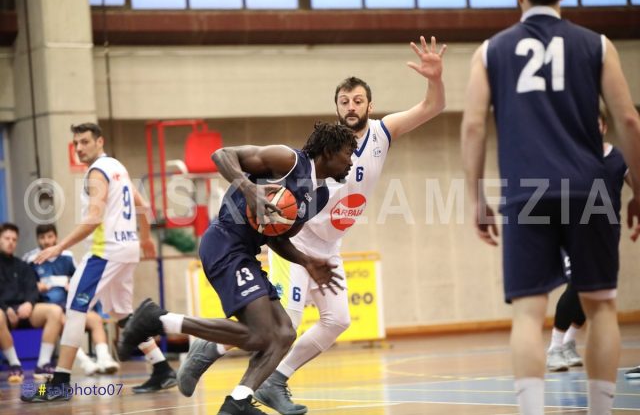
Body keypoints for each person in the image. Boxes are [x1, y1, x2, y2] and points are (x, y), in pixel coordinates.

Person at [177, 35, 447, 415]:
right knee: (285, 323)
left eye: (357, 100)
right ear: (336, 107)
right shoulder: (325, 149)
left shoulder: (384, 133)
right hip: (294, 239)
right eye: (344, 101)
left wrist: (434, 78)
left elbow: (434, 106)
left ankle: (275, 380)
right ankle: (213, 350)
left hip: (328, 247)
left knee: (338, 320)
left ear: (370, 104)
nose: (351, 106)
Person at [461, 0, 640, 413]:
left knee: (527, 313)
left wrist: (475, 199)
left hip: (526, 192)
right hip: (589, 191)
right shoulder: (598, 45)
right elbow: (629, 119)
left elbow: (472, 127)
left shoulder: (490, 51)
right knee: (601, 307)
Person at [117, 122, 357, 415]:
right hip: (224, 242)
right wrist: (249, 189)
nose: (351, 160)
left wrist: (307, 262)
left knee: (283, 334)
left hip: (247, 253)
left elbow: (277, 238)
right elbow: (221, 154)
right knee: (258, 335)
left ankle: (239, 400)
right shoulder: (288, 161)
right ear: (330, 151)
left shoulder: (318, 196)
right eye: (348, 153)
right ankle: (158, 320)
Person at [21, 123, 176, 403]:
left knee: (75, 307)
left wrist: (59, 246)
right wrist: (144, 239)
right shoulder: (118, 167)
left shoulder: (97, 172)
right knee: (121, 313)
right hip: (126, 250)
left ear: (99, 141)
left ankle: (60, 381)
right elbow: (142, 204)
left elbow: (93, 218)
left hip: (106, 253)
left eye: (84, 142)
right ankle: (162, 368)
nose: (79, 148)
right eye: (76, 143)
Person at [546, 111, 633, 373]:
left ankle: (570, 341)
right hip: (572, 233)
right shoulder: (570, 157)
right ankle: (554, 347)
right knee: (577, 285)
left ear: (604, 127)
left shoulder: (618, 158)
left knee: (596, 290)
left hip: (606, 234)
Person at [23, 223, 120, 375]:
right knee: (61, 320)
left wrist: (71, 284)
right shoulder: (30, 259)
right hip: (46, 307)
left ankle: (104, 359)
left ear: (56, 237)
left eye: (49, 236)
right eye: (42, 237)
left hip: (67, 305)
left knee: (94, 319)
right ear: (37, 239)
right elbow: (25, 285)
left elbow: (80, 278)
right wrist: (35, 286)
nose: (46, 241)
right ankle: (85, 362)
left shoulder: (67, 256)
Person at [0, 223, 64, 383]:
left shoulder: (22, 266)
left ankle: (43, 363)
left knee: (55, 311)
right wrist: (6, 308)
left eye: (14, 239)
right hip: (4, 313)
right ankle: (14, 365)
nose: (10, 242)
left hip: (25, 311)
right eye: (6, 238)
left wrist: (29, 303)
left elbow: (32, 289)